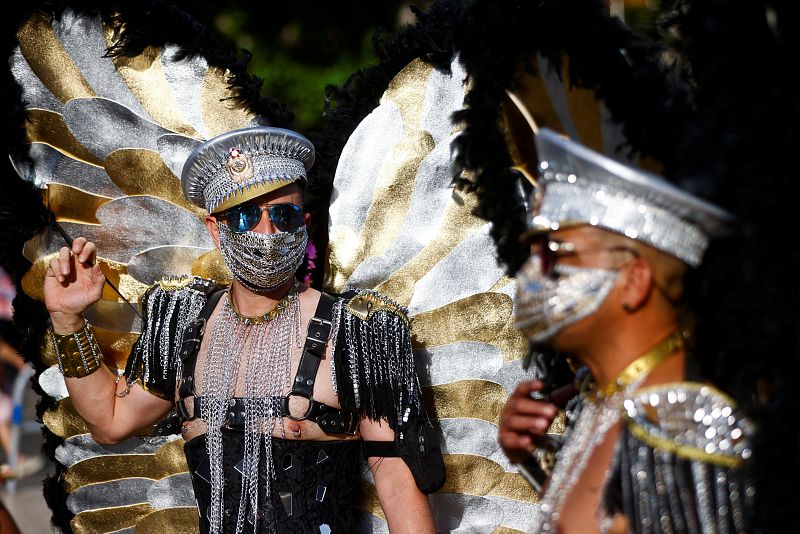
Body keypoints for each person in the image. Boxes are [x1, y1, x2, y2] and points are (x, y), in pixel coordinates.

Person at [42, 125, 441, 533]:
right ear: (215, 230)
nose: (266, 233)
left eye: (282, 216)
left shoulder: (358, 332)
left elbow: (396, 482)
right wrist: (67, 320)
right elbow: (109, 422)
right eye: (246, 216)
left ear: (303, 224)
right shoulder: (183, 323)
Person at [498, 128, 755, 532]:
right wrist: (532, 458)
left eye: (553, 253)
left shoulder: (687, 431)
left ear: (634, 282)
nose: (532, 273)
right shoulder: (598, 405)